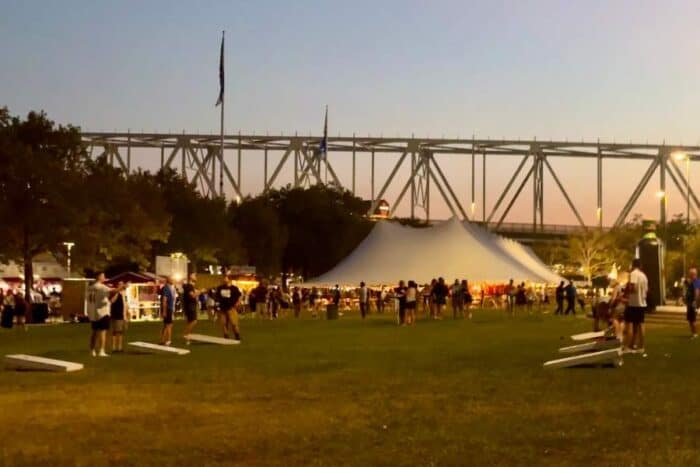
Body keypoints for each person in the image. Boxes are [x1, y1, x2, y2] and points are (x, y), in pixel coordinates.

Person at [624, 258, 648, 355]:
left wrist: (626, 290)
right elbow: (646, 290)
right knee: (640, 325)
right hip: (642, 303)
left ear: (633, 265)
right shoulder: (644, 276)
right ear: (640, 265)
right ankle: (641, 346)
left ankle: (628, 346)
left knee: (629, 325)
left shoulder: (633, 274)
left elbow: (632, 288)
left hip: (633, 303)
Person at [88, 273, 113, 357]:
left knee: (94, 332)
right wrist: (123, 286)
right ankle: (101, 350)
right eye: (103, 276)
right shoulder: (101, 287)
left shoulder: (91, 287)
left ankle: (92, 350)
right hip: (102, 312)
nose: (104, 277)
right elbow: (113, 290)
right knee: (103, 332)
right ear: (99, 277)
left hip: (93, 312)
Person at [215, 275, 242, 342]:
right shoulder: (220, 288)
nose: (224, 280)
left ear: (229, 280)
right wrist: (217, 303)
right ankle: (226, 335)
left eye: (225, 278)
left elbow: (239, 296)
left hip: (231, 307)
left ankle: (237, 335)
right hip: (222, 308)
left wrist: (238, 303)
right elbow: (217, 296)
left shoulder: (234, 288)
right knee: (223, 323)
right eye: (223, 279)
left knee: (234, 323)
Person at [109, 281, 128, 352]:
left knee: (120, 332)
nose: (122, 286)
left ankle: (119, 347)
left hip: (121, 315)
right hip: (115, 314)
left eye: (122, 284)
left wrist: (126, 315)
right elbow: (112, 301)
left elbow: (125, 304)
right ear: (117, 286)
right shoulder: (114, 292)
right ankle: (114, 347)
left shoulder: (124, 294)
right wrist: (117, 292)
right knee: (114, 331)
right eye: (120, 284)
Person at [160, 276, 177, 346]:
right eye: (172, 279)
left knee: (166, 325)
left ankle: (162, 340)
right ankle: (169, 340)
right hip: (167, 308)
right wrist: (164, 311)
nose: (173, 280)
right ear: (168, 280)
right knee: (169, 325)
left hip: (171, 308)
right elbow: (164, 300)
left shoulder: (172, 288)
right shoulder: (166, 288)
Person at [684, 267, 700, 339]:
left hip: (692, 304)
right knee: (690, 319)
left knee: (692, 319)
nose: (689, 275)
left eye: (690, 274)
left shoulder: (696, 281)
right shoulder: (692, 282)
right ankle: (693, 333)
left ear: (694, 274)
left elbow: (697, 292)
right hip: (689, 303)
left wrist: (695, 302)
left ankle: (695, 334)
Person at [182, 273, 199, 338]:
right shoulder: (189, 286)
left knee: (190, 321)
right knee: (194, 321)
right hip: (190, 305)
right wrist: (201, 291)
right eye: (195, 276)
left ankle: (188, 335)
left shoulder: (191, 286)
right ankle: (186, 334)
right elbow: (193, 295)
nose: (196, 277)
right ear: (191, 277)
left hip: (190, 305)